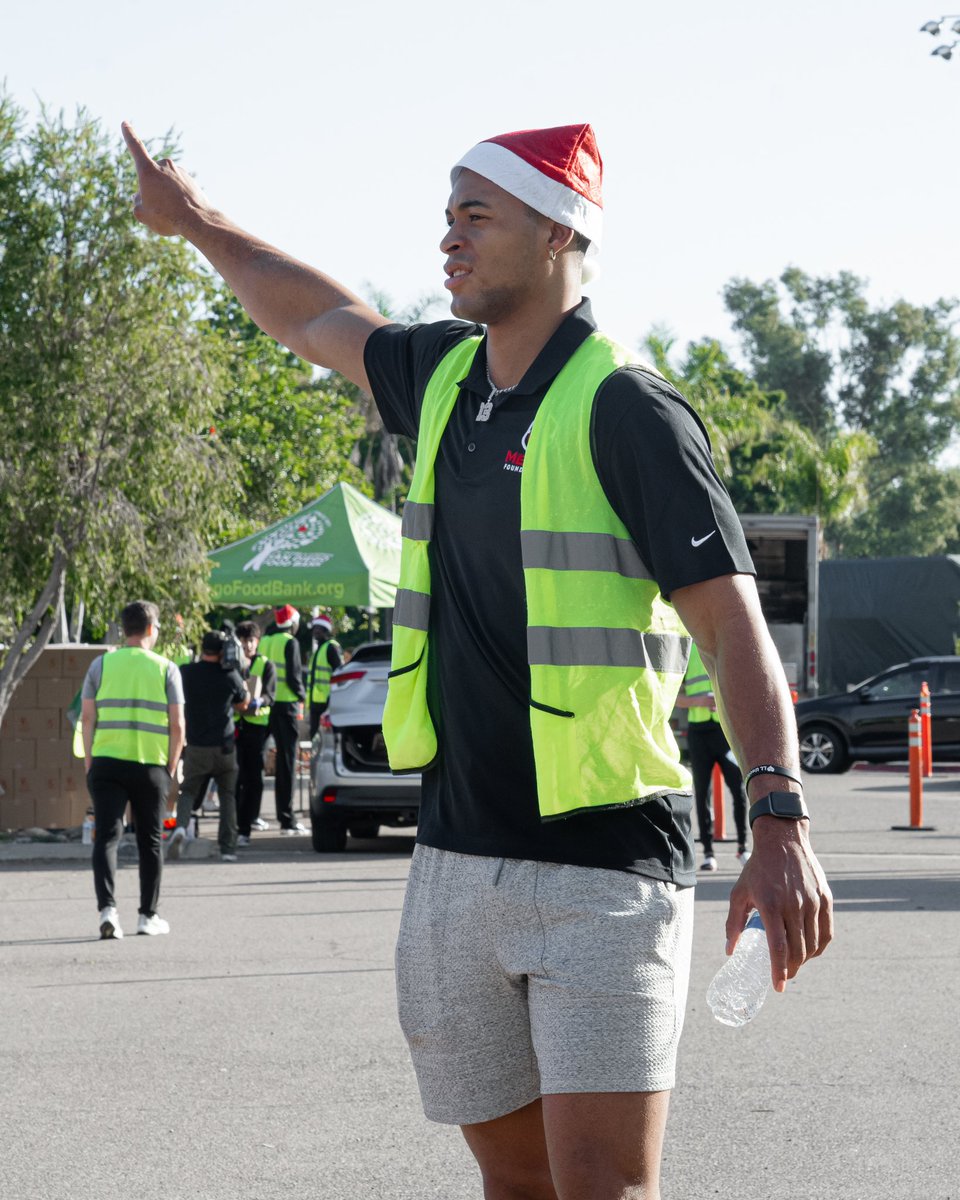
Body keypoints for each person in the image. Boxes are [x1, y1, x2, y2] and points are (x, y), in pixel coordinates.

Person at [123, 119, 833, 1200]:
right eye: (448, 212)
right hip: (452, 864)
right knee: (515, 1189)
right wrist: (195, 223)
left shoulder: (626, 408)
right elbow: (318, 316)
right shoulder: (449, 377)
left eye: (475, 213)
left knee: (603, 1190)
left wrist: (777, 821)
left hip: (605, 869)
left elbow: (733, 628)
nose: (447, 236)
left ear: (555, 233)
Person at [81, 599, 184, 938]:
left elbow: (87, 717)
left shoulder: (100, 666)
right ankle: (147, 916)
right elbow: (178, 725)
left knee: (107, 838)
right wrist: (170, 766)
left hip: (107, 762)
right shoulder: (167, 668)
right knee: (150, 841)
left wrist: (90, 762)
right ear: (152, 629)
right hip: (150, 766)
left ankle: (107, 911)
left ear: (124, 630)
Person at [167, 630, 247, 862]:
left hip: (197, 746)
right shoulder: (229, 674)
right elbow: (243, 703)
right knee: (228, 795)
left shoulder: (186, 673)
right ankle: (228, 849)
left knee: (188, 792)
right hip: (225, 746)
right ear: (223, 652)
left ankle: (181, 827)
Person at [675, 641, 750, 871]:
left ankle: (743, 846)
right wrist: (698, 701)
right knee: (702, 792)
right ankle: (708, 853)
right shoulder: (686, 650)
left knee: (738, 790)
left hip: (724, 730)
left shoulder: (725, 647)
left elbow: (743, 689)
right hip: (699, 731)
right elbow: (676, 698)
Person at [258, 604, 307, 834]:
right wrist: (302, 696)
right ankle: (287, 820)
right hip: (286, 706)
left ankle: (250, 817)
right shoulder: (291, 642)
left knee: (256, 761)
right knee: (286, 763)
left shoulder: (265, 641)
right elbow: (294, 677)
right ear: (292, 623)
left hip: (266, 706)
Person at [234, 619, 277, 843]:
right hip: (234, 728)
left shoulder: (266, 665)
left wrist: (259, 701)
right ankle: (235, 826)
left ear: (257, 642)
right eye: (243, 641)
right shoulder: (232, 664)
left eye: (250, 641)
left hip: (257, 730)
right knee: (235, 779)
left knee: (253, 779)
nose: (247, 646)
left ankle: (245, 827)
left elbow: (271, 695)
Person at [307, 610, 343, 738]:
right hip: (316, 703)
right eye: (315, 628)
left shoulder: (331, 647)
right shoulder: (319, 650)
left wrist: (332, 699)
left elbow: (339, 674)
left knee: (328, 738)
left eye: (320, 628)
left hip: (327, 702)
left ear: (326, 630)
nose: (316, 631)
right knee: (315, 738)